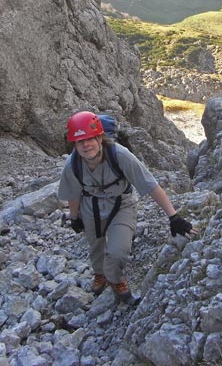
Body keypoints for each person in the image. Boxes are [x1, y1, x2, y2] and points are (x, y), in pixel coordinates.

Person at [57, 111, 196, 304]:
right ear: (74, 144)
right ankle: (100, 273)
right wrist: (75, 217)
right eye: (80, 142)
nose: (86, 145)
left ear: (99, 137)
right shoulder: (72, 165)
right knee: (95, 244)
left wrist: (174, 216)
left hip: (121, 204)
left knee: (117, 251)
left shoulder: (120, 155)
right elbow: (73, 193)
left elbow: (150, 185)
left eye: (90, 139)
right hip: (91, 207)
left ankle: (115, 279)